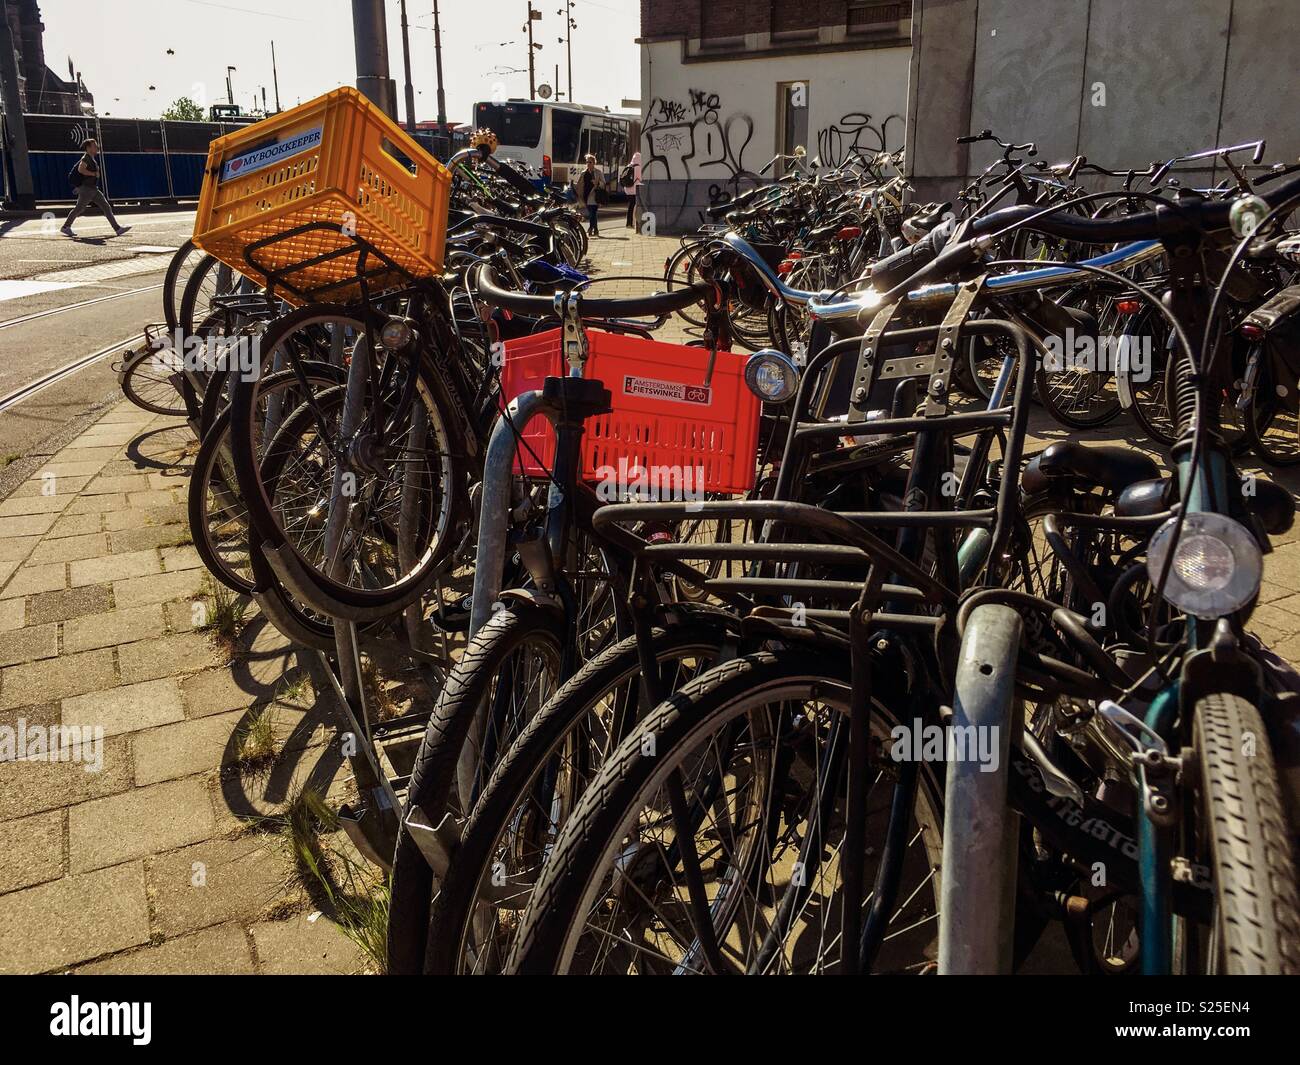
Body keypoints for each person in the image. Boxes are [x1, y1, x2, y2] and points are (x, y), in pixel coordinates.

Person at [61, 139, 131, 238]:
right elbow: (81, 169)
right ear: (88, 148)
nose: (97, 147)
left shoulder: (91, 158)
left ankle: (117, 229)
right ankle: (65, 227)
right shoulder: (86, 158)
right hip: (88, 189)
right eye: (94, 146)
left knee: (105, 206)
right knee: (79, 209)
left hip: (92, 189)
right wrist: (93, 174)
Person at [574, 154, 603, 237]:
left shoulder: (598, 172)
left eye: (590, 162)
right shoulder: (584, 173)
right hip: (586, 196)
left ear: (594, 163)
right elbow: (579, 184)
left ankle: (591, 229)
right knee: (592, 213)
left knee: (592, 213)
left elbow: (603, 183)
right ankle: (595, 229)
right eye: (587, 162)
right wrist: (573, 185)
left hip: (595, 196)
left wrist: (597, 183)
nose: (588, 164)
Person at [623, 150, 642, 229]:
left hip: (627, 189)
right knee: (635, 207)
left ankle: (629, 223)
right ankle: (633, 223)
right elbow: (640, 179)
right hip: (635, 190)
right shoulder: (638, 168)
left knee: (630, 207)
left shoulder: (628, 166)